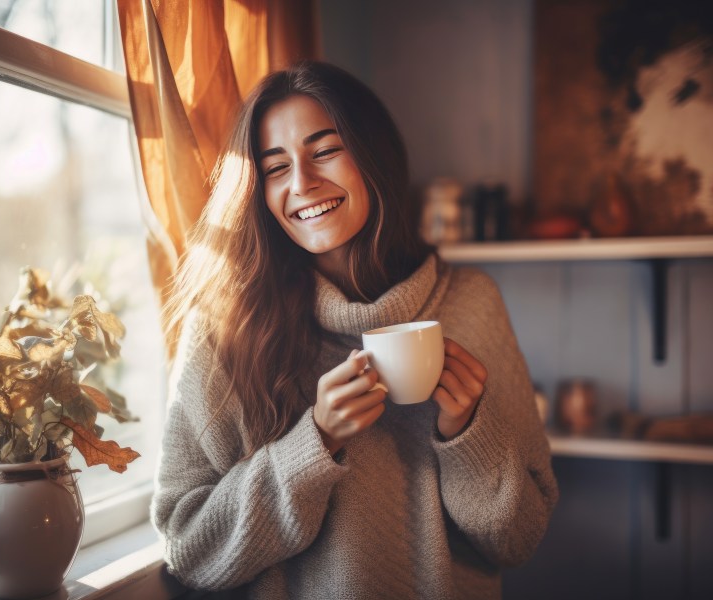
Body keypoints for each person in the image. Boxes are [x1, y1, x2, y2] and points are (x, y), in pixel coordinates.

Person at [154, 60, 558, 599]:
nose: (302, 183)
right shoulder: (224, 327)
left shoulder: (470, 302)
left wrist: (467, 433)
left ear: (373, 157)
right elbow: (188, 549)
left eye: (324, 151)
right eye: (276, 167)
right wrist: (313, 443)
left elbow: (521, 540)